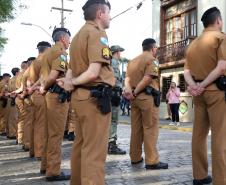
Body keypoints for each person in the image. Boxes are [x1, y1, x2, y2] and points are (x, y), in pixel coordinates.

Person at [57, 0, 114, 184]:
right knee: (95, 151)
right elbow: (93, 72)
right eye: (108, 13)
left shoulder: (78, 36)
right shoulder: (97, 33)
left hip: (81, 98)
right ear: (100, 14)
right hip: (93, 98)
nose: (110, 17)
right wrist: (71, 81)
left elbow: (72, 69)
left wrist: (69, 82)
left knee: (80, 146)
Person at [184, 7, 226, 185]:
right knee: (220, 137)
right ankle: (221, 180)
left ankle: (199, 176)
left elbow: (186, 71)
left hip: (199, 95)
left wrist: (195, 86)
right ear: (218, 21)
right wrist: (203, 85)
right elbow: (222, 67)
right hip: (216, 92)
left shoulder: (193, 44)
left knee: (199, 135)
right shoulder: (220, 38)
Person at [124, 38, 168, 170]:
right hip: (146, 98)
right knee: (150, 129)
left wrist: (129, 92)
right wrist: (136, 92)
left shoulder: (132, 61)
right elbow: (148, 78)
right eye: (156, 49)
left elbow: (127, 79)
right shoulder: (152, 60)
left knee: (136, 129)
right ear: (153, 48)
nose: (156, 51)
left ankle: (135, 157)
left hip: (134, 99)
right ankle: (152, 161)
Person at [39, 28, 71, 181]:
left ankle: (45, 166)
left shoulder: (48, 53)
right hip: (57, 96)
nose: (70, 42)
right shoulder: (60, 53)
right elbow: (54, 75)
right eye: (69, 39)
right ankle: (53, 171)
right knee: (56, 135)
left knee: (48, 133)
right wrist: (45, 88)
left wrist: (44, 88)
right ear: (63, 38)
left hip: (50, 96)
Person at [28, 41, 51, 159]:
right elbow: (44, 78)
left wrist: (31, 88)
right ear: (47, 49)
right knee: (42, 124)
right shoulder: (44, 61)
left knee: (35, 123)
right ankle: (40, 152)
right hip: (40, 94)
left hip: (33, 95)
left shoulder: (33, 63)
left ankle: (33, 150)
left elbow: (27, 80)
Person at [108, 45, 126, 155]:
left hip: (111, 92)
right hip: (113, 92)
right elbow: (114, 79)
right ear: (117, 52)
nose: (121, 54)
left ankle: (108, 143)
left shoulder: (111, 61)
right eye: (120, 52)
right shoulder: (114, 62)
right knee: (113, 120)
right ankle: (111, 144)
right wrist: (116, 91)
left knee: (109, 119)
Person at [7, 68, 20, 139]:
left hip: (10, 98)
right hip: (15, 98)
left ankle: (11, 133)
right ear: (17, 72)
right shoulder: (16, 79)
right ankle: (14, 134)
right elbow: (16, 89)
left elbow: (8, 89)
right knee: (15, 118)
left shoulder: (10, 80)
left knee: (11, 117)